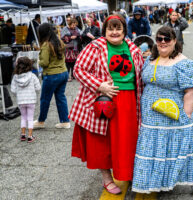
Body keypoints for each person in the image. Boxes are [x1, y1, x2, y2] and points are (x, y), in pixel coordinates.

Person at [70, 14, 144, 195]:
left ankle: (128, 173)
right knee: (102, 143)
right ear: (105, 31)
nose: (114, 32)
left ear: (124, 31)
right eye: (111, 28)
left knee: (127, 142)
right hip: (104, 101)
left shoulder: (133, 48)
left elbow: (143, 75)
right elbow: (79, 70)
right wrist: (99, 86)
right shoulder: (95, 47)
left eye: (118, 28)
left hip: (129, 102)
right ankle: (106, 179)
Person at [132, 26, 193, 200]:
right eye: (160, 39)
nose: (163, 42)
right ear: (156, 42)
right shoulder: (150, 59)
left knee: (184, 149)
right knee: (153, 150)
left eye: (167, 39)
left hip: (174, 116)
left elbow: (191, 90)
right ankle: (156, 182)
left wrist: (186, 116)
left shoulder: (183, 62)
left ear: (175, 41)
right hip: (151, 117)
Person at [33, 23, 70, 129]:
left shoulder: (46, 45)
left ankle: (41, 121)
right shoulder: (60, 42)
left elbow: (44, 63)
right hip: (63, 73)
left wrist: (38, 60)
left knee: (45, 99)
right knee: (61, 97)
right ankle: (65, 121)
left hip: (52, 75)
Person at [11, 57, 41, 143]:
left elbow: (13, 90)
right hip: (31, 100)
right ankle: (30, 136)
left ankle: (23, 135)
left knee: (23, 117)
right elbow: (38, 87)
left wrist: (19, 93)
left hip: (21, 100)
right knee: (30, 118)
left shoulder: (15, 77)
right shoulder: (32, 76)